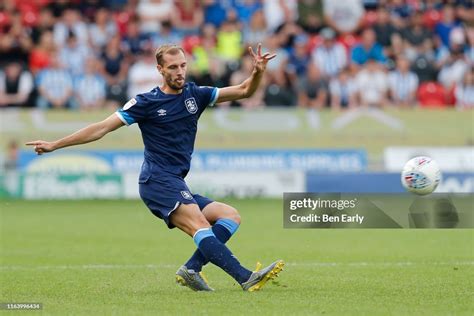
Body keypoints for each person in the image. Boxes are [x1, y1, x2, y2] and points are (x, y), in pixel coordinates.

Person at [26, 43, 284, 292]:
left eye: (183, 65)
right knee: (200, 225)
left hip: (176, 180)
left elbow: (244, 91)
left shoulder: (196, 94)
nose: (180, 71)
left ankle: (191, 269)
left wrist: (258, 72)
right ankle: (245, 277)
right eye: (173, 67)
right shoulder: (145, 102)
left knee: (230, 216)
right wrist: (55, 145)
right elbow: (101, 128)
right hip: (156, 181)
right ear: (160, 69)